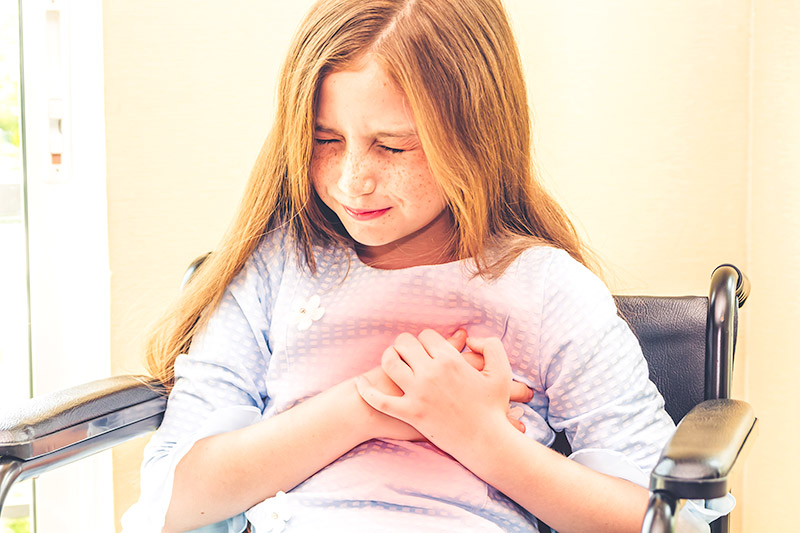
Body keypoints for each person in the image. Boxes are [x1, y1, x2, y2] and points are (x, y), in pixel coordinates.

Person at [122, 1, 732, 531]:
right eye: (325, 139)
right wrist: (365, 407)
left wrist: (482, 439)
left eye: (392, 146)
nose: (352, 179)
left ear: (475, 135)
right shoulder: (279, 267)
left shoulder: (545, 289)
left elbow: (660, 519)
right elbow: (175, 504)